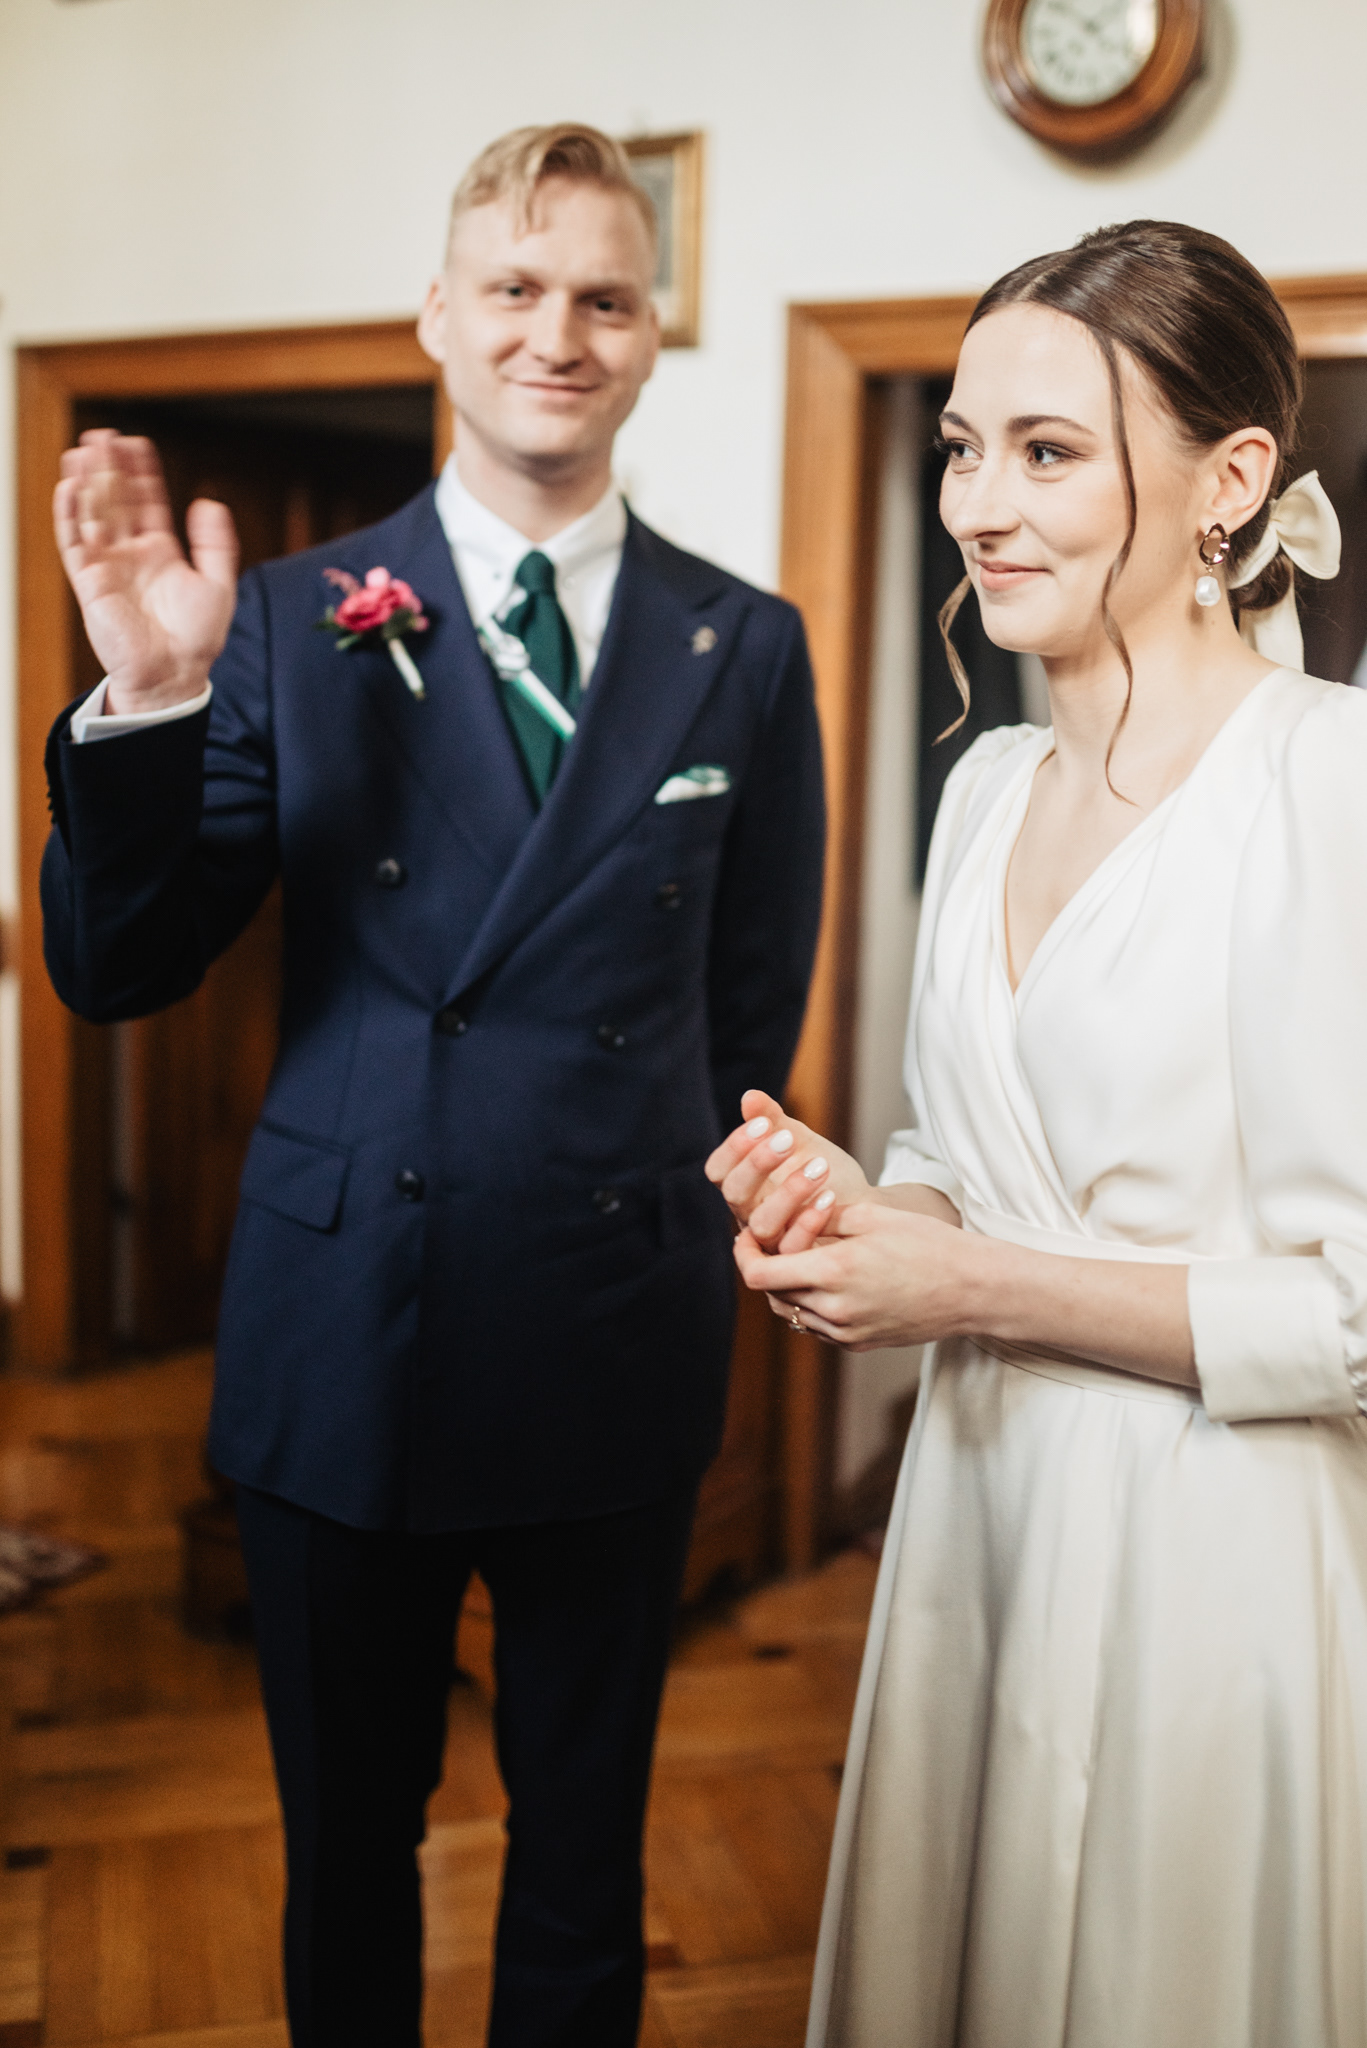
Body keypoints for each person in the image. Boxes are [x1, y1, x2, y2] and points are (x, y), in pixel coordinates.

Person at [42, 123, 825, 2048]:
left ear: (654, 334)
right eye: (517, 288)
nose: (558, 333)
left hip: (608, 1323)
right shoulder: (285, 618)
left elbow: (745, 1019)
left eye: (606, 299)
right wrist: (149, 703)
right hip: (347, 1331)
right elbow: (121, 968)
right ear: (437, 316)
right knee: (347, 1852)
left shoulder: (745, 644)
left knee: (584, 1854)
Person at [709, 220, 1367, 2048]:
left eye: (1050, 451)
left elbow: (1355, 1317)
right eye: (962, 450)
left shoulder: (1330, 785)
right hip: (975, 1514)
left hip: (1212, 1552)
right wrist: (866, 1206)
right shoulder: (990, 785)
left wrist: (968, 1285)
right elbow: (958, 1147)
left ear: (1230, 480)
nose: (981, 508)